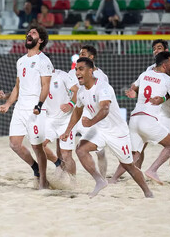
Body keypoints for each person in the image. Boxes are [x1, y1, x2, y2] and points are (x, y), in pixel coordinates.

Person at [60, 57, 153, 198]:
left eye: (81, 69)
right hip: (100, 130)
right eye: (76, 69)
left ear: (90, 71)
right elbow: (77, 111)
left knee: (129, 166)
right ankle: (99, 181)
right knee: (81, 149)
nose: (77, 72)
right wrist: (67, 131)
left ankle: (148, 192)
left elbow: (105, 109)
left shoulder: (103, 87)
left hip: (117, 133)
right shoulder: (81, 91)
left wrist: (90, 122)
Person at [110, 40, 170, 185]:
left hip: (165, 114)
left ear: (166, 51)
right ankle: (144, 172)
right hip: (151, 115)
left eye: (159, 48)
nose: (156, 50)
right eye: (154, 48)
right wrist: (134, 92)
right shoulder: (152, 70)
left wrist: (163, 96)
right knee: (163, 146)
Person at [0, 24, 53, 189]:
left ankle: (43, 180)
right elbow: (17, 87)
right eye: (28, 32)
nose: (29, 34)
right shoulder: (21, 61)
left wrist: (39, 105)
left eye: (33, 33)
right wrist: (7, 104)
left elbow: (46, 87)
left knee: (37, 146)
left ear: (40, 40)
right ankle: (35, 169)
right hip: (20, 107)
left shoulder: (44, 60)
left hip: (35, 108)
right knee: (14, 144)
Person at [68, 45, 108, 178]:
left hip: (91, 116)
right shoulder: (73, 72)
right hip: (75, 113)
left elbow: (104, 99)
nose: (80, 55)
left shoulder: (101, 76)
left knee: (100, 152)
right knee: (65, 148)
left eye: (83, 53)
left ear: (91, 57)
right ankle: (66, 176)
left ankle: (102, 177)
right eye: (79, 53)